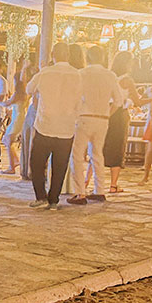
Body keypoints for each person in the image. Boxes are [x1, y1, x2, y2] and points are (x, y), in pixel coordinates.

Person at [25, 42, 83, 209]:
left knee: (36, 163)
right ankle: (53, 200)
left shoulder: (45, 72)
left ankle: (41, 196)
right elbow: (81, 100)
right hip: (66, 126)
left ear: (53, 55)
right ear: (68, 55)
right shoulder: (77, 75)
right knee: (60, 166)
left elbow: (29, 89)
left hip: (45, 125)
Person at [68, 45, 123, 205]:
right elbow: (119, 101)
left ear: (88, 57)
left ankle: (80, 192)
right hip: (102, 118)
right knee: (97, 154)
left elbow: (74, 96)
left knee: (77, 155)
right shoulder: (110, 75)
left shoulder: (81, 74)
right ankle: (99, 190)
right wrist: (108, 114)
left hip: (84, 117)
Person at [104, 51, 141, 193]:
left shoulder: (109, 76)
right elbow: (138, 101)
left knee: (102, 146)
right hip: (119, 114)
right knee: (118, 147)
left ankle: (88, 180)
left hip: (107, 111)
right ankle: (113, 184)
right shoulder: (127, 80)